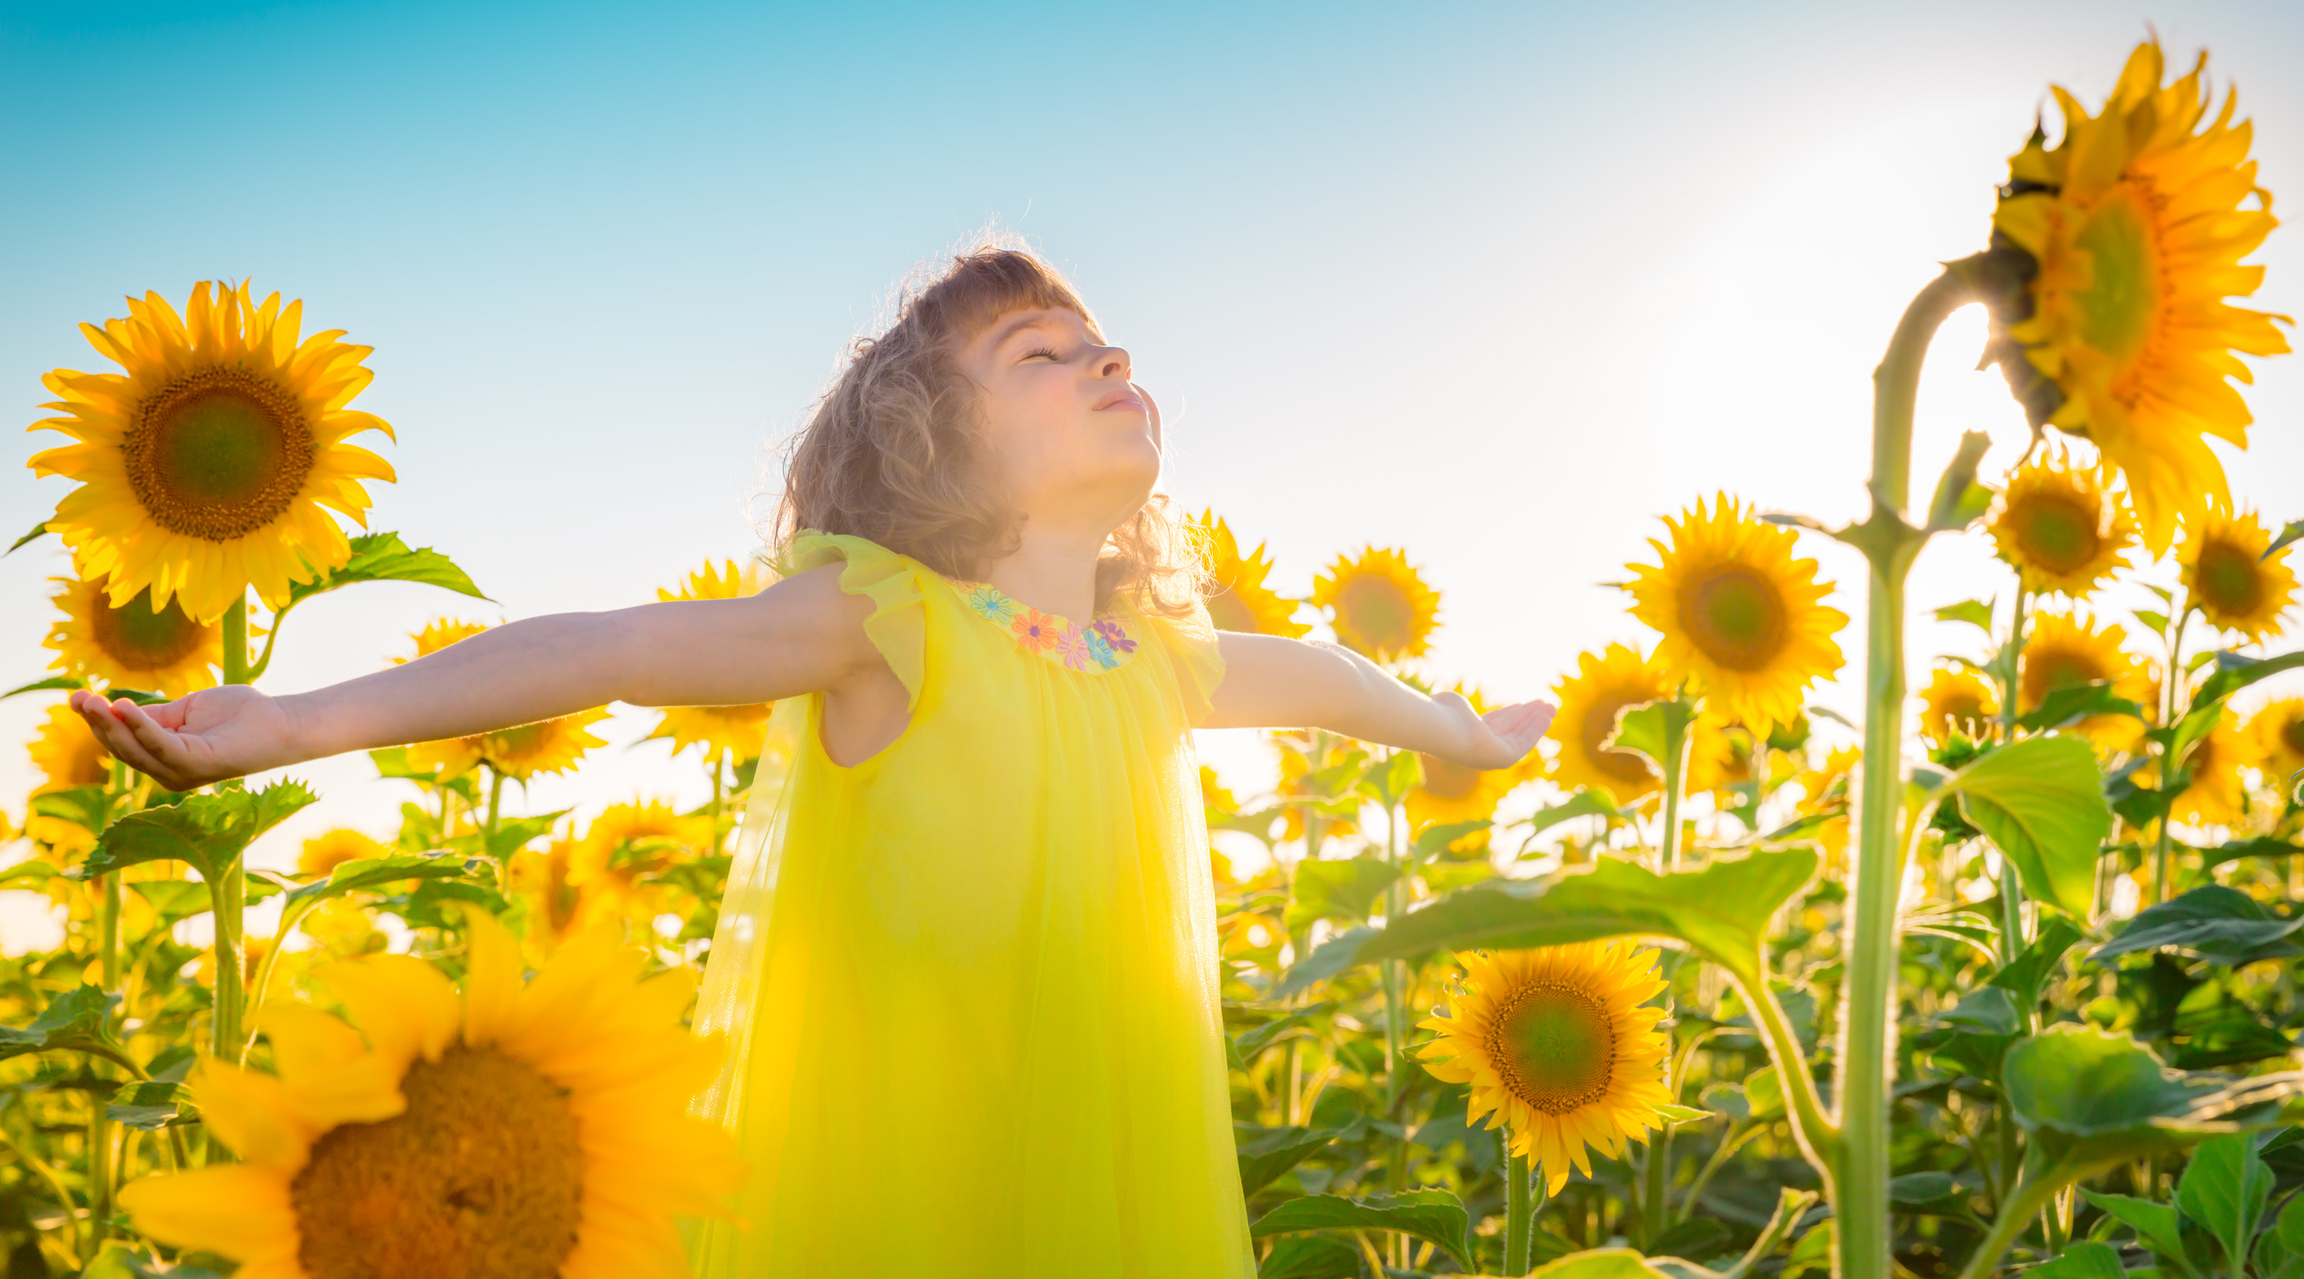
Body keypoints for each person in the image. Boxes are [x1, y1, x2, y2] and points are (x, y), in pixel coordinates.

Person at [73, 244, 1556, 1278]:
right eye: (1039, 353)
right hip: (887, 1192)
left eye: (1108, 345)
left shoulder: (1152, 665)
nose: (1104, 356)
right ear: (928, 445)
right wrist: (303, 721)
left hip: (1106, 1188)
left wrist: (1464, 734)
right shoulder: (883, 621)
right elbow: (608, 650)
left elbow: (1336, 684)